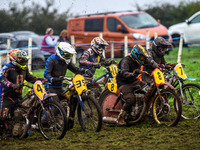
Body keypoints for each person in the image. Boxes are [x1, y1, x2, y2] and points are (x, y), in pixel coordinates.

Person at [44, 42, 90, 129]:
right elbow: (46, 74)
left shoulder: (66, 61)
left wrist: (84, 71)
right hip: (50, 88)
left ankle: (65, 120)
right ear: (60, 52)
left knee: (69, 101)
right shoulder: (51, 59)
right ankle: (43, 121)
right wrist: (52, 79)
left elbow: (76, 70)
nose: (68, 56)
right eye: (66, 54)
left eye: (69, 55)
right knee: (56, 105)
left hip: (60, 87)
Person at [0, 49, 42, 137]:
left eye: (25, 60)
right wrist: (10, 84)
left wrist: (40, 80)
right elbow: (2, 78)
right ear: (14, 59)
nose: (24, 62)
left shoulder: (24, 68)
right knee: (2, 116)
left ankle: (18, 129)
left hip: (18, 95)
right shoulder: (7, 67)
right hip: (6, 96)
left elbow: (30, 78)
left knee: (19, 113)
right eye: (22, 60)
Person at [116, 44, 158, 126]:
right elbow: (124, 73)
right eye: (141, 57)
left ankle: (144, 110)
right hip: (124, 82)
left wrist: (159, 68)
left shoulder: (140, 59)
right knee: (130, 99)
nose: (143, 59)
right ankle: (120, 117)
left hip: (134, 80)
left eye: (143, 57)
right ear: (135, 54)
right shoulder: (126, 61)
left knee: (148, 88)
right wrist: (132, 74)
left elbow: (151, 63)